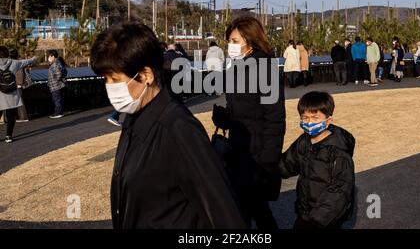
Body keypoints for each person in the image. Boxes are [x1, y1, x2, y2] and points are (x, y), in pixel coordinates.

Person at [90, 23, 246, 229]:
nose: (110, 87)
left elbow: (224, 216)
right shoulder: (132, 117)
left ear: (145, 75)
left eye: (115, 79)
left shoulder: (179, 129)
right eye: (106, 79)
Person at [213, 16, 286, 229]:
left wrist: (267, 161)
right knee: (245, 208)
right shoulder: (236, 66)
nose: (231, 46)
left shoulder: (266, 69)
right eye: (230, 41)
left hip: (256, 153)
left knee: (256, 209)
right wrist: (224, 118)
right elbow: (242, 109)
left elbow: (275, 118)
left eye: (235, 41)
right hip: (237, 148)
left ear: (250, 40)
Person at [279, 91, 355, 229]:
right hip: (305, 212)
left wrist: (318, 220)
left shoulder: (338, 152)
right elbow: (287, 164)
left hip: (325, 219)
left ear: (328, 121)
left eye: (315, 118)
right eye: (305, 118)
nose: (309, 123)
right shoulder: (304, 141)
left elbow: (340, 190)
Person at [0, 46, 37, 143]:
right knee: (11, 115)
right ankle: (8, 136)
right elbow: (28, 61)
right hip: (11, 92)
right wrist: (35, 58)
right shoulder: (14, 62)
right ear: (7, 53)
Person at [9, 48, 29, 122]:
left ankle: (23, 117)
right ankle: (19, 116)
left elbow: (20, 73)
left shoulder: (18, 62)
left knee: (19, 101)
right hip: (16, 84)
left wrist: (19, 83)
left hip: (18, 84)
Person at [47, 50, 67, 118]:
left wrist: (56, 80)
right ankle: (60, 112)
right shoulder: (56, 63)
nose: (48, 57)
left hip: (56, 85)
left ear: (52, 56)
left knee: (56, 100)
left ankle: (58, 113)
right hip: (58, 85)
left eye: (49, 56)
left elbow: (58, 74)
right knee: (59, 99)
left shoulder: (55, 64)